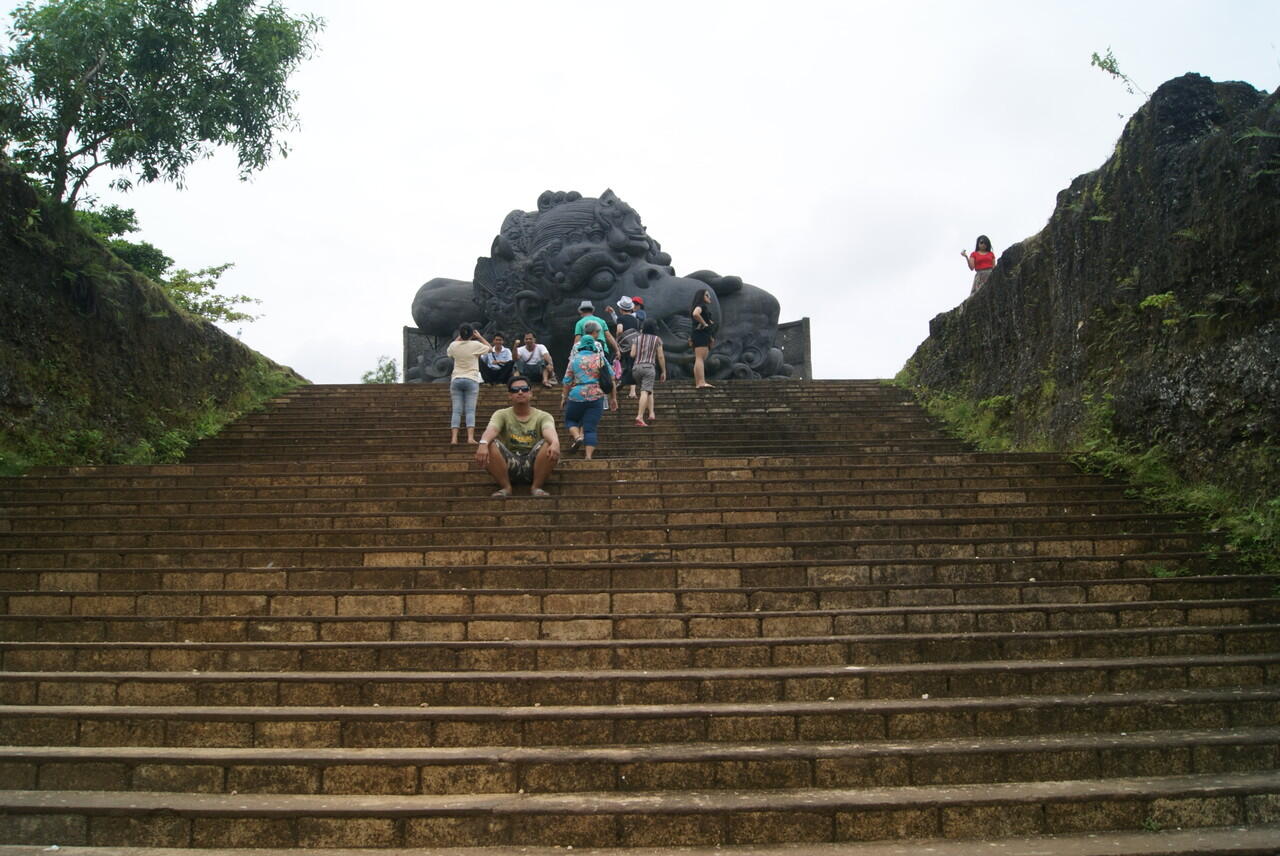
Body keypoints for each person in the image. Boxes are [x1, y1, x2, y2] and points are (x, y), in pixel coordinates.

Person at [474, 375, 561, 497]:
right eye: (515, 390)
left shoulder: (543, 416)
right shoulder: (501, 414)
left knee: (550, 443)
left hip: (535, 463)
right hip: (509, 463)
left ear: (530, 393)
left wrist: (555, 442)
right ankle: (506, 487)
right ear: (509, 395)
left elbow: (548, 430)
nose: (520, 392)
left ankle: (536, 486)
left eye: (524, 389)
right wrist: (483, 443)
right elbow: (492, 429)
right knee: (488, 443)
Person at [560, 324, 614, 460]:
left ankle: (577, 437)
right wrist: (613, 398)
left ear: (580, 345)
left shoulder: (574, 360)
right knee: (590, 428)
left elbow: (567, 381)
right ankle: (588, 457)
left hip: (577, 394)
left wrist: (564, 397)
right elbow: (612, 377)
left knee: (571, 420)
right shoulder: (600, 358)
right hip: (596, 395)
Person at [446, 323, 491, 444]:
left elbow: (449, 352)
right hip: (471, 379)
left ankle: (454, 438)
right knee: (470, 410)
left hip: (456, 379)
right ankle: (470, 438)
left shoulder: (454, 345)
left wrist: (460, 337)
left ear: (460, 334)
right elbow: (489, 348)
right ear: (472, 334)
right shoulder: (475, 345)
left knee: (456, 410)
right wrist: (480, 337)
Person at [631, 318, 666, 426]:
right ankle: (640, 416)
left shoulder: (636, 339)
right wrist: (663, 371)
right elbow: (660, 356)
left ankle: (651, 413)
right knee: (645, 391)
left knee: (648, 389)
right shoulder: (657, 340)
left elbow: (632, 354)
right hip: (649, 368)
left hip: (636, 368)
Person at [613, 296, 641, 398]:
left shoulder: (620, 318)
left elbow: (620, 330)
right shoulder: (636, 320)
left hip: (624, 347)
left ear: (621, 309)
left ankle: (622, 381)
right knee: (633, 366)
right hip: (635, 346)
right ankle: (632, 392)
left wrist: (616, 339)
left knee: (622, 365)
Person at [689, 288, 716, 389]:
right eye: (707, 295)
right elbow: (695, 314)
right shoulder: (701, 306)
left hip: (699, 335)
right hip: (701, 335)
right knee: (699, 358)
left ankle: (699, 382)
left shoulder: (702, 307)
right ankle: (701, 382)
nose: (709, 297)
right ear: (701, 297)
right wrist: (704, 323)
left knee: (699, 358)